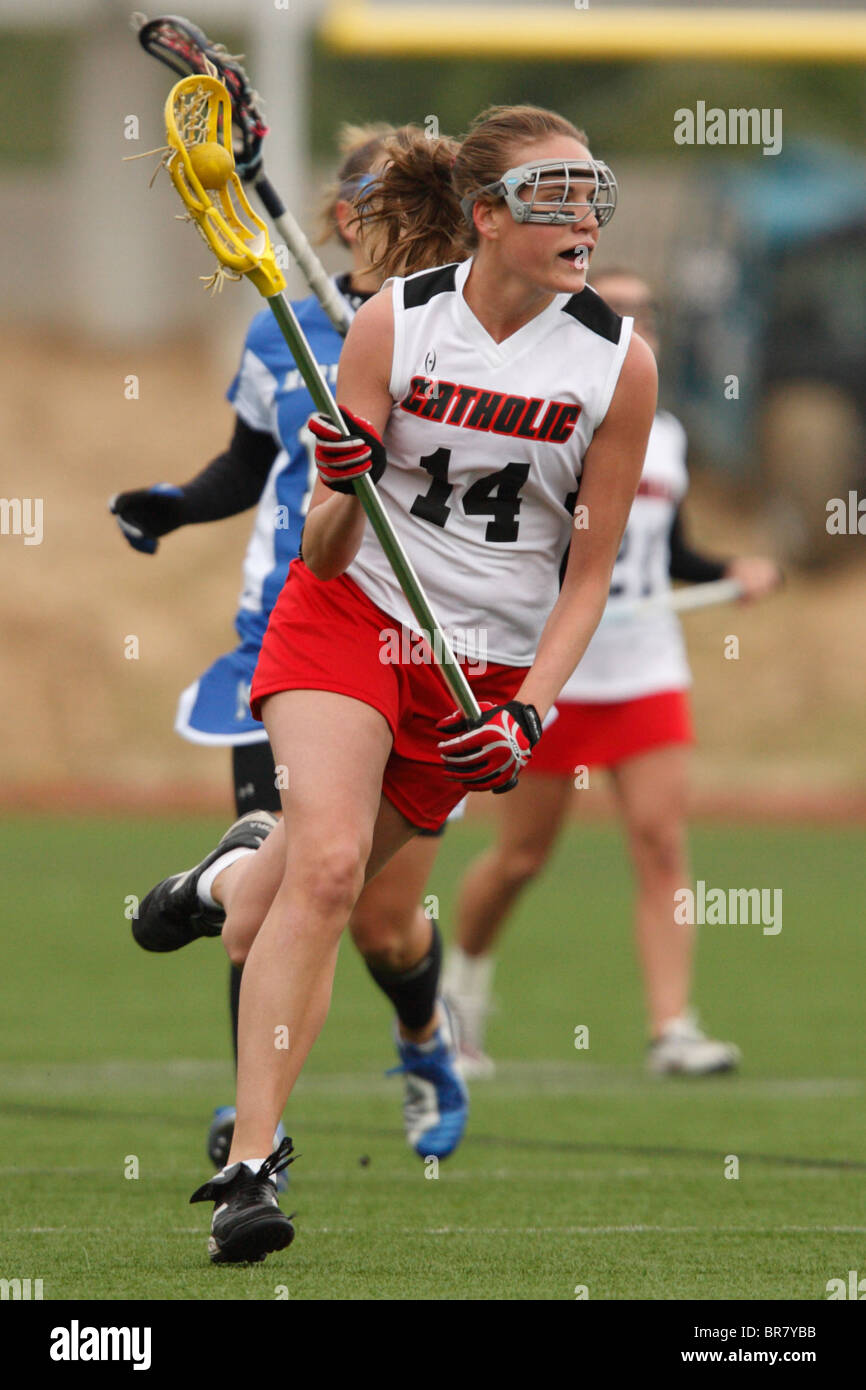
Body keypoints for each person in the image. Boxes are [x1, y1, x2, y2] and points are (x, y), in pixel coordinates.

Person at [132, 106, 658, 1265]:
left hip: (477, 673)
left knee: (298, 889)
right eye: (550, 196)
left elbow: (586, 576)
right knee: (323, 872)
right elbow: (323, 552)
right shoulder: (393, 324)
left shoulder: (615, 364)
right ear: (484, 217)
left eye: (588, 192)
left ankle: (224, 876)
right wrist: (339, 485)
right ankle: (251, 1165)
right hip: (350, 621)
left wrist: (528, 712)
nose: (581, 216)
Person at [111, 124, 451, 1180]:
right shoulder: (284, 334)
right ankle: (253, 1124)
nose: (374, 214)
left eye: (399, 198)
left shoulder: (463, 333)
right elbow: (246, 465)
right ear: (341, 213)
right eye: (363, 195)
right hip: (296, 631)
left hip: (426, 640)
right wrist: (173, 504)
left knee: (377, 916)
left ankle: (423, 1044)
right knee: (301, 880)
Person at [442, 269, 782, 1079]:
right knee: (522, 857)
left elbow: (667, 550)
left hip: (645, 667)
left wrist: (730, 569)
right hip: (552, 673)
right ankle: (458, 1003)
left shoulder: (664, 431)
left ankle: (672, 1029)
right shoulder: (549, 414)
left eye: (643, 312)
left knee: (663, 844)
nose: (633, 325)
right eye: (613, 310)